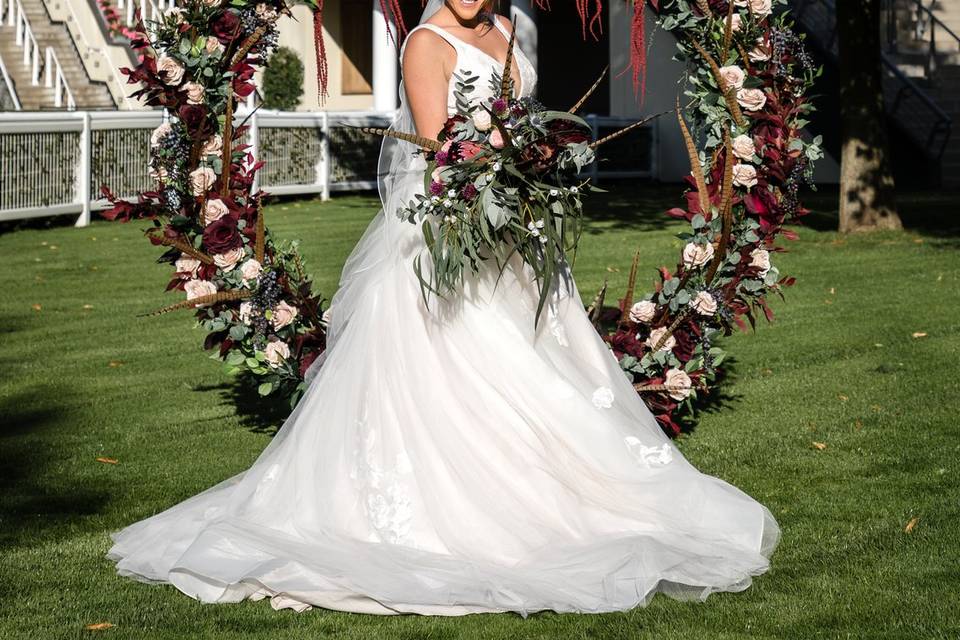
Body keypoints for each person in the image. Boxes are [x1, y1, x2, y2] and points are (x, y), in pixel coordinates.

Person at [107, 0, 780, 616]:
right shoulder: (425, 45)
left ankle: (552, 492)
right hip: (449, 234)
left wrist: (536, 162)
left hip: (515, 231)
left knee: (544, 361)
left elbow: (519, 119)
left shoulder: (510, 30)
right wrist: (501, 160)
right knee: (466, 363)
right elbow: (438, 155)